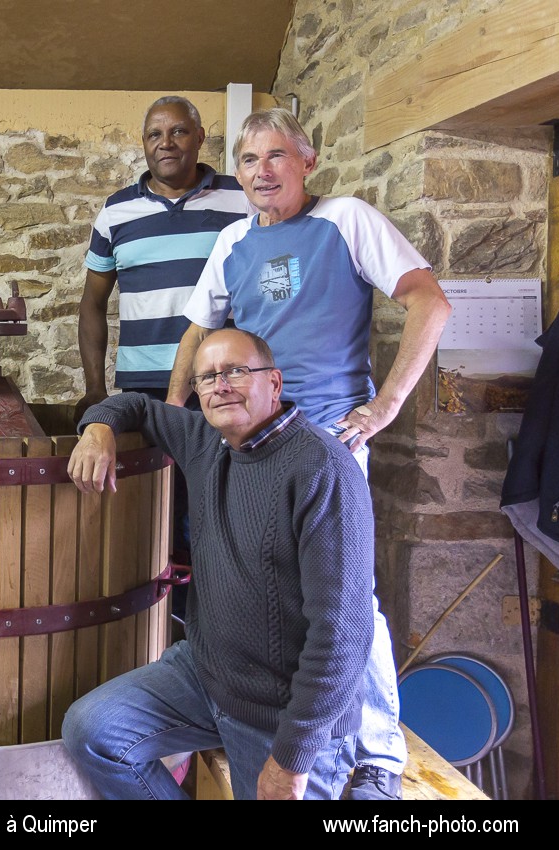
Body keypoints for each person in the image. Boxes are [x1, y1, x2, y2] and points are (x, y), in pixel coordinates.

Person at [166, 107, 452, 800]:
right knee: (268, 589)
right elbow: (198, 333)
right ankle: (287, 731)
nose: (261, 172)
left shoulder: (347, 220)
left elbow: (429, 302)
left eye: (276, 157)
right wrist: (180, 418)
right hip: (250, 441)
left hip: (325, 439)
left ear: (307, 162)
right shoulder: (233, 238)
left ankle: (379, 755)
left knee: (349, 601)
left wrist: (383, 406)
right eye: (249, 160)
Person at [62, 328, 375, 800]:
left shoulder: (322, 471)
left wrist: (292, 760)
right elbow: (137, 406)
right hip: (206, 678)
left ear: (275, 383)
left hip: (280, 714)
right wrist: (98, 428)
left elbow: (343, 638)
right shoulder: (207, 440)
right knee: (93, 731)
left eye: (236, 371)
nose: (220, 385)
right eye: (206, 377)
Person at [77, 96, 252, 614]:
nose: (166, 143)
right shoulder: (117, 212)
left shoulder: (240, 200)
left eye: (178, 132)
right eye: (155, 134)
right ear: (144, 143)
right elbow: (91, 307)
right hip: (143, 394)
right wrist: (95, 388)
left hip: (220, 387)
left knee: (215, 512)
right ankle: (163, 625)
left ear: (201, 139)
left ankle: (215, 620)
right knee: (151, 513)